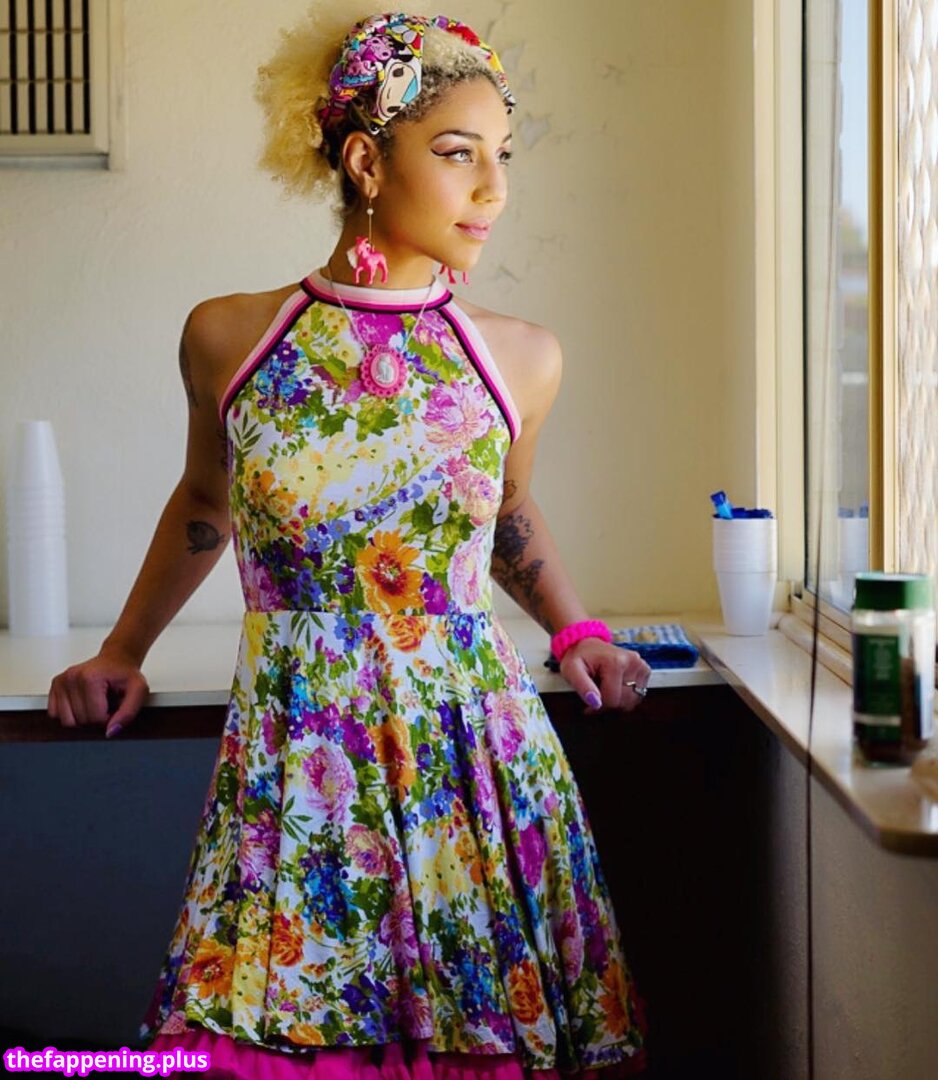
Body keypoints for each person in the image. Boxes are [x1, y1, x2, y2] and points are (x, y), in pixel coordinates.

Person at [47, 7, 651, 1078]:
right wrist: (122, 652)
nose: (493, 189)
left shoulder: (521, 358)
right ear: (367, 162)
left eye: (502, 156)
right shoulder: (231, 337)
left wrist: (576, 632)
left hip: (470, 761)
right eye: (458, 153)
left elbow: (506, 515)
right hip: (299, 763)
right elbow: (205, 500)